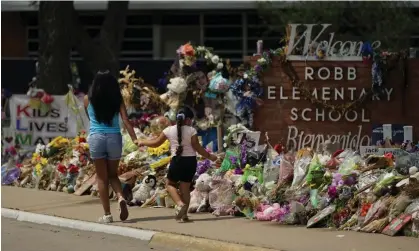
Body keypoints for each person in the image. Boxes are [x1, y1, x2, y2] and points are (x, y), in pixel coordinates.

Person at [137, 106, 218, 222]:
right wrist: (210, 156)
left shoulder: (169, 130)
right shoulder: (191, 130)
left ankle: (179, 204)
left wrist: (142, 142)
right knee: (185, 188)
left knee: (170, 184)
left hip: (177, 161)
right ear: (189, 119)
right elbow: (198, 148)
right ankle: (184, 216)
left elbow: (155, 143)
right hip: (191, 162)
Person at [84, 70, 137, 224]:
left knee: (101, 177)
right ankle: (120, 197)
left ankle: (107, 214)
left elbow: (90, 119)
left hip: (96, 138)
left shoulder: (88, 99)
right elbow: (126, 120)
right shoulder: (117, 99)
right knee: (113, 174)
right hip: (114, 137)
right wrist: (135, 139)